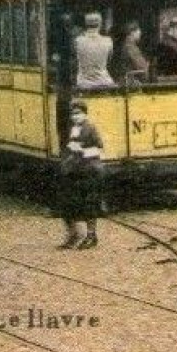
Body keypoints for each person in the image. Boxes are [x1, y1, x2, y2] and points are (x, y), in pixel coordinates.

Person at [57, 102, 104, 249]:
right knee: (68, 203)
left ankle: (91, 236)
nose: (75, 116)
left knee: (89, 203)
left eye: (78, 113)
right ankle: (74, 234)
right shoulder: (73, 129)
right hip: (75, 171)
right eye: (73, 114)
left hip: (89, 170)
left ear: (85, 113)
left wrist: (81, 150)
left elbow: (99, 147)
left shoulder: (90, 128)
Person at [73, 13, 114, 90]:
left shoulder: (78, 41)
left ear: (86, 24)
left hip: (83, 84)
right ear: (100, 24)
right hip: (104, 82)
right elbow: (109, 60)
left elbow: (75, 60)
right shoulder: (108, 41)